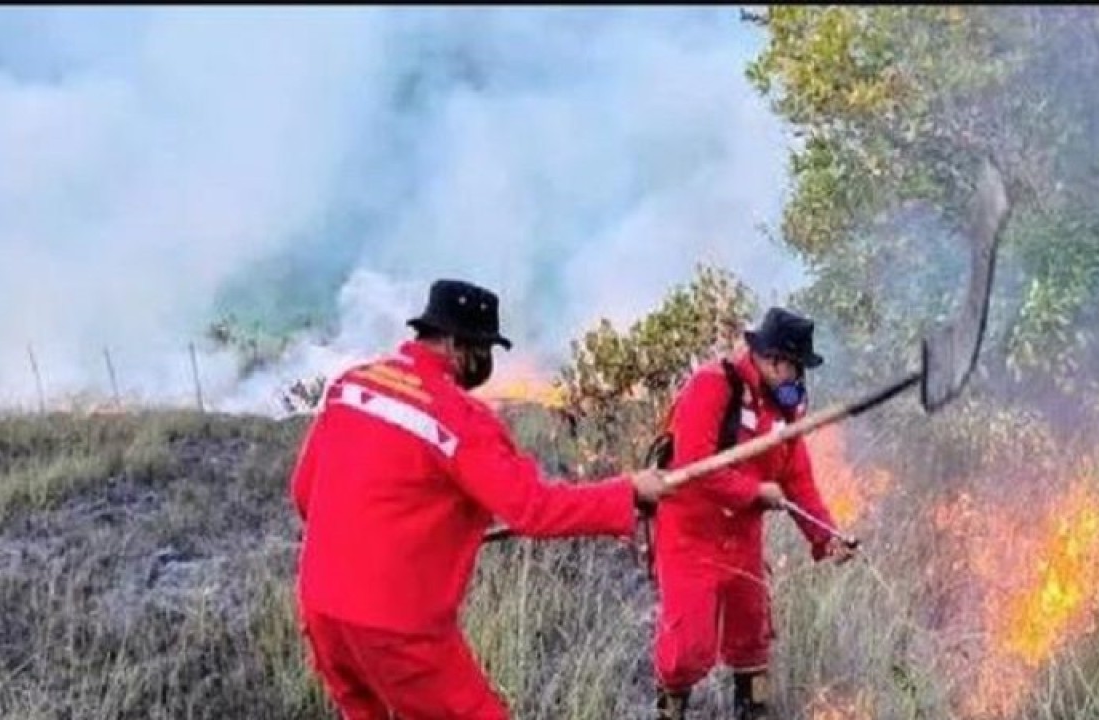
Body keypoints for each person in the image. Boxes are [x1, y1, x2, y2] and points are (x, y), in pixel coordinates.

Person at [289, 278, 672, 720]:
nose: (486, 361)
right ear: (455, 344)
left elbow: (303, 493)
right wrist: (628, 492)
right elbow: (534, 508)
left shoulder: (352, 385)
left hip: (321, 609)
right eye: (483, 348)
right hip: (397, 627)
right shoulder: (460, 418)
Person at [649, 307, 857, 720]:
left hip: (742, 541)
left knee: (752, 639)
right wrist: (755, 492)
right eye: (796, 368)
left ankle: (752, 712)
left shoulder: (784, 411)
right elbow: (694, 466)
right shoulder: (712, 385)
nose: (799, 378)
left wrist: (826, 536)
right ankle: (669, 711)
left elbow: (798, 480)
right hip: (690, 536)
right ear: (775, 360)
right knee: (687, 649)